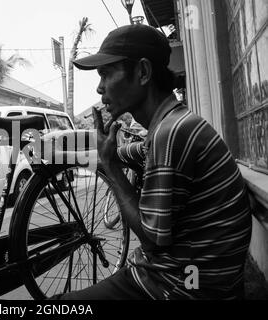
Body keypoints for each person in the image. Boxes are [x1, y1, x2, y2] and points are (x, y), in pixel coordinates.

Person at [56, 24, 252, 300]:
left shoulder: (171, 134)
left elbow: (151, 239)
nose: (100, 88)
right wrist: (61, 156)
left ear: (143, 72)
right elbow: (123, 154)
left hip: (178, 287)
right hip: (185, 276)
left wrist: (112, 169)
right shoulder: (171, 124)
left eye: (106, 73)